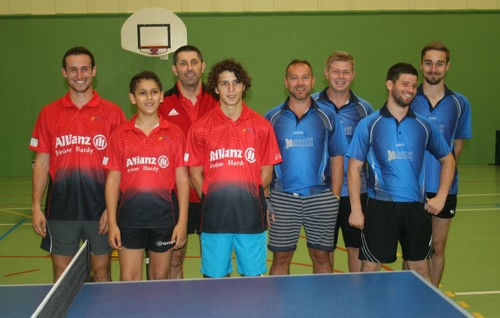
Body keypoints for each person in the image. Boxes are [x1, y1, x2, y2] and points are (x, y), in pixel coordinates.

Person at [347, 62, 456, 282]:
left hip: (416, 208)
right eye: (405, 84)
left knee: (420, 271)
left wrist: (442, 196)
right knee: (369, 269)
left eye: (414, 86)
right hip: (380, 206)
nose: (410, 89)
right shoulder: (370, 124)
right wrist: (356, 210)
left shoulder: (424, 125)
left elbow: (448, 160)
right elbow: (354, 168)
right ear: (389, 84)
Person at [30, 47, 126, 282]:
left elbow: (121, 166)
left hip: (100, 209)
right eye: (73, 69)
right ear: (64, 73)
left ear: (94, 71)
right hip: (62, 208)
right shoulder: (49, 113)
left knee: (102, 273)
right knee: (62, 276)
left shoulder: (112, 113)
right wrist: (35, 206)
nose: (79, 75)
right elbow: (42, 163)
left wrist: (111, 210)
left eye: (84, 69)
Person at [184, 59, 282, 278]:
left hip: (250, 215)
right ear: (216, 88)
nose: (231, 89)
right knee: (215, 278)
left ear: (244, 86)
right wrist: (211, 198)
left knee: (252, 278)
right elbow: (195, 173)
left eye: (236, 82)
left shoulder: (261, 126)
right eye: (224, 83)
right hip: (214, 216)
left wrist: (248, 196)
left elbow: (266, 172)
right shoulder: (200, 127)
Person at [104, 71, 189, 281]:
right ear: (133, 98)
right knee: (129, 280)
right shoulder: (119, 134)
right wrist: (113, 223)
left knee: (160, 280)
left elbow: (182, 180)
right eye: (142, 93)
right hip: (129, 219)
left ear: (161, 96)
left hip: (164, 219)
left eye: (153, 92)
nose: (149, 98)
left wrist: (182, 222)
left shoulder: (175, 133)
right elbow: (113, 181)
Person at [266, 59, 348, 275]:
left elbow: (337, 156)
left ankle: (322, 307)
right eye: (294, 78)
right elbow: (264, 161)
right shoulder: (272, 118)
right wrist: (266, 197)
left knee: (321, 257)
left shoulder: (327, 116)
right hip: (282, 198)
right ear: (286, 82)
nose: (299, 83)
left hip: (320, 197)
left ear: (313, 82)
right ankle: (278, 307)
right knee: (281, 257)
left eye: (304, 78)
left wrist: (335, 196)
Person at [410, 42, 472, 287]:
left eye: (439, 63)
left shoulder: (460, 103)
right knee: (413, 249)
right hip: (412, 188)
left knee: (437, 245)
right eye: (428, 63)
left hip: (445, 188)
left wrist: (444, 175)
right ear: (421, 65)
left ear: (447, 66)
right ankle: (411, 295)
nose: (433, 69)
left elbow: (457, 146)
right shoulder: (409, 98)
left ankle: (432, 298)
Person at [158, 45, 217, 279]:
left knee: (213, 262)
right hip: (174, 194)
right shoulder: (162, 102)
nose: (189, 68)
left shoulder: (219, 99)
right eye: (183, 63)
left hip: (210, 192)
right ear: (175, 69)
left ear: (203, 66)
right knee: (174, 259)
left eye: (194, 62)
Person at [312, 51, 374, 272]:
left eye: (346, 72)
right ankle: (327, 301)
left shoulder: (365, 110)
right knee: (323, 252)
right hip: (321, 193)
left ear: (353, 75)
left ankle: (355, 301)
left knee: (355, 249)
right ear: (326, 73)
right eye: (336, 71)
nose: (340, 76)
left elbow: (373, 154)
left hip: (356, 193)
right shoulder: (312, 106)